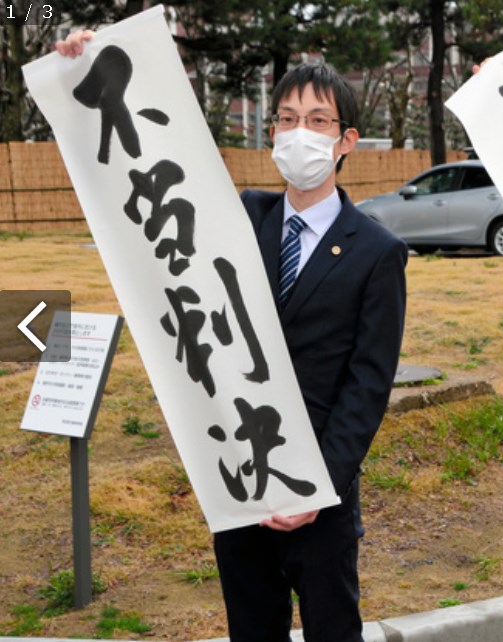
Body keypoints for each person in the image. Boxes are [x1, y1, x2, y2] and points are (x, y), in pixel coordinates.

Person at [56, 31, 407, 642]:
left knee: (332, 628)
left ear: (347, 140)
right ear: (271, 133)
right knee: (251, 626)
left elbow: (368, 385)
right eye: (288, 119)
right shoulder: (242, 215)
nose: (302, 133)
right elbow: (151, 161)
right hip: (238, 475)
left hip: (319, 491)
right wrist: (86, 62)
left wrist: (317, 485)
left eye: (319, 120)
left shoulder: (378, 252)